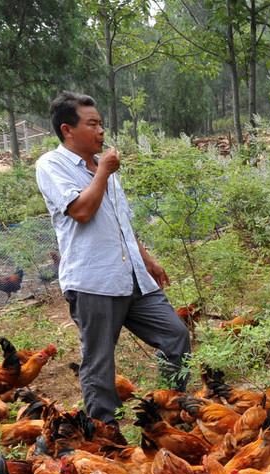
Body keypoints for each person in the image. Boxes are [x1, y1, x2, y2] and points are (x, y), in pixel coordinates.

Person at [36, 91, 190, 432]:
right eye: (92, 124)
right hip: (94, 281)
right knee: (100, 364)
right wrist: (103, 172)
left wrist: (147, 259)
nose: (101, 131)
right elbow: (82, 211)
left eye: (102, 124)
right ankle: (105, 436)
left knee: (175, 334)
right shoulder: (52, 165)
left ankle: (172, 411)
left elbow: (120, 222)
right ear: (68, 130)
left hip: (132, 275)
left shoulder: (105, 168)